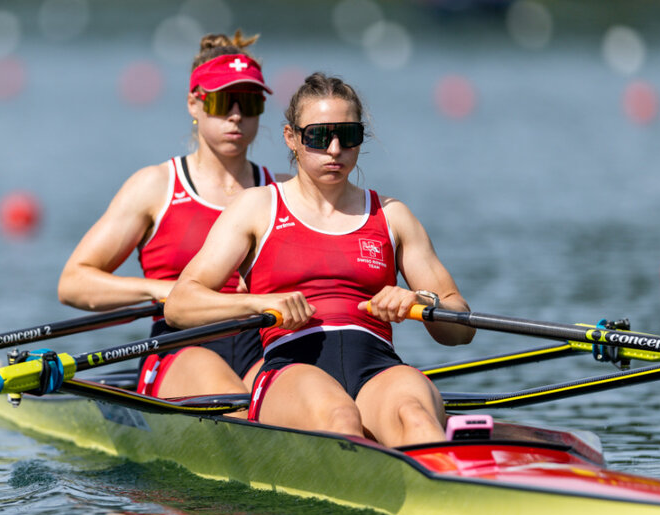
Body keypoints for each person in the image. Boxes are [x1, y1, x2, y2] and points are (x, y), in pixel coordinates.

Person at [164, 73, 475, 447]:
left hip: (377, 365)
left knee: (418, 418)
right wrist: (260, 303)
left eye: (348, 135)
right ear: (291, 138)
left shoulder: (392, 216)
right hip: (291, 368)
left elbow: (461, 328)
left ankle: (438, 488)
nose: (334, 149)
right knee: (340, 418)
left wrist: (422, 302)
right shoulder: (257, 207)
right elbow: (180, 305)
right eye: (317, 136)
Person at [58, 31, 281, 401]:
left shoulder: (279, 192)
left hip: (258, 343)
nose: (237, 115)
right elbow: (73, 283)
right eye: (223, 102)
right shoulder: (156, 187)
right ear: (194, 104)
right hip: (180, 346)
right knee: (238, 401)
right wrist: (159, 290)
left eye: (250, 102)